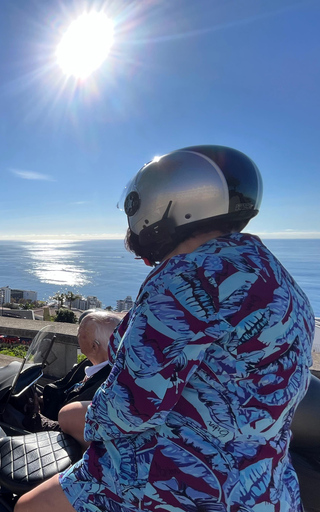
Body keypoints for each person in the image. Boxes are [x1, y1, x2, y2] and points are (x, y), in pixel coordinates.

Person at [16, 145, 315, 511]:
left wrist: (90, 419)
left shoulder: (187, 278)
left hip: (183, 481)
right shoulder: (278, 278)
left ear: (158, 205)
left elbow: (131, 409)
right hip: (264, 482)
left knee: (29, 505)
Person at [29, 311, 121, 439]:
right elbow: (63, 386)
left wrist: (35, 416)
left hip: (51, 436)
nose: (77, 335)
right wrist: (43, 400)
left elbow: (70, 431)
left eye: (80, 333)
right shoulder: (90, 363)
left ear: (94, 346)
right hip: (51, 409)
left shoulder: (103, 387)